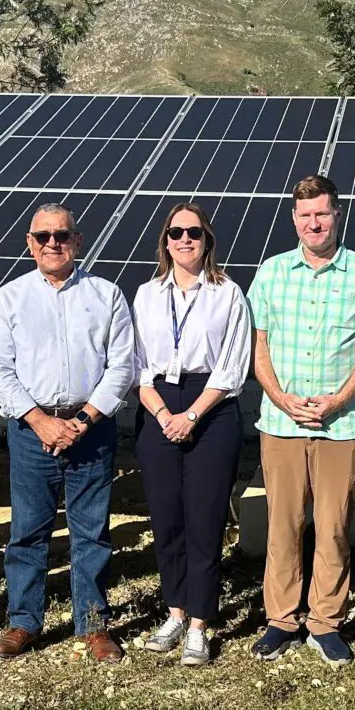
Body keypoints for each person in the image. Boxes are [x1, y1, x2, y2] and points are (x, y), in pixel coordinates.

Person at [248, 174, 355, 666]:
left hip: (343, 425)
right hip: (282, 422)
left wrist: (339, 399)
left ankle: (326, 622)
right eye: (305, 215)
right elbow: (258, 344)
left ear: (338, 215)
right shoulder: (271, 273)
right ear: (294, 219)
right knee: (283, 525)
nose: (314, 222)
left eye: (323, 213)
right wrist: (279, 396)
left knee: (334, 527)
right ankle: (281, 620)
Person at [0, 204, 136, 662]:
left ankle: (93, 625)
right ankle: (23, 622)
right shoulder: (9, 298)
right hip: (32, 430)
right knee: (28, 531)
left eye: (62, 236)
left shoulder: (106, 295)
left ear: (78, 240)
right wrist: (39, 419)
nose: (53, 244)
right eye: (43, 236)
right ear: (29, 242)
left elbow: (122, 365)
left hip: (92, 428)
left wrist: (84, 419)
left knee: (91, 531)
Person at [133, 203, 252, 668]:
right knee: (167, 521)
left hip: (213, 406)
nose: (186, 239)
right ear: (165, 241)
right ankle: (175, 612)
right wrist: (165, 414)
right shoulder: (145, 294)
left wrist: (192, 415)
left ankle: (201, 624)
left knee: (204, 521)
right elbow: (137, 364)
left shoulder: (227, 294)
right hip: (158, 404)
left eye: (195, 233)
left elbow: (233, 365)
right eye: (176, 232)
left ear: (207, 242)